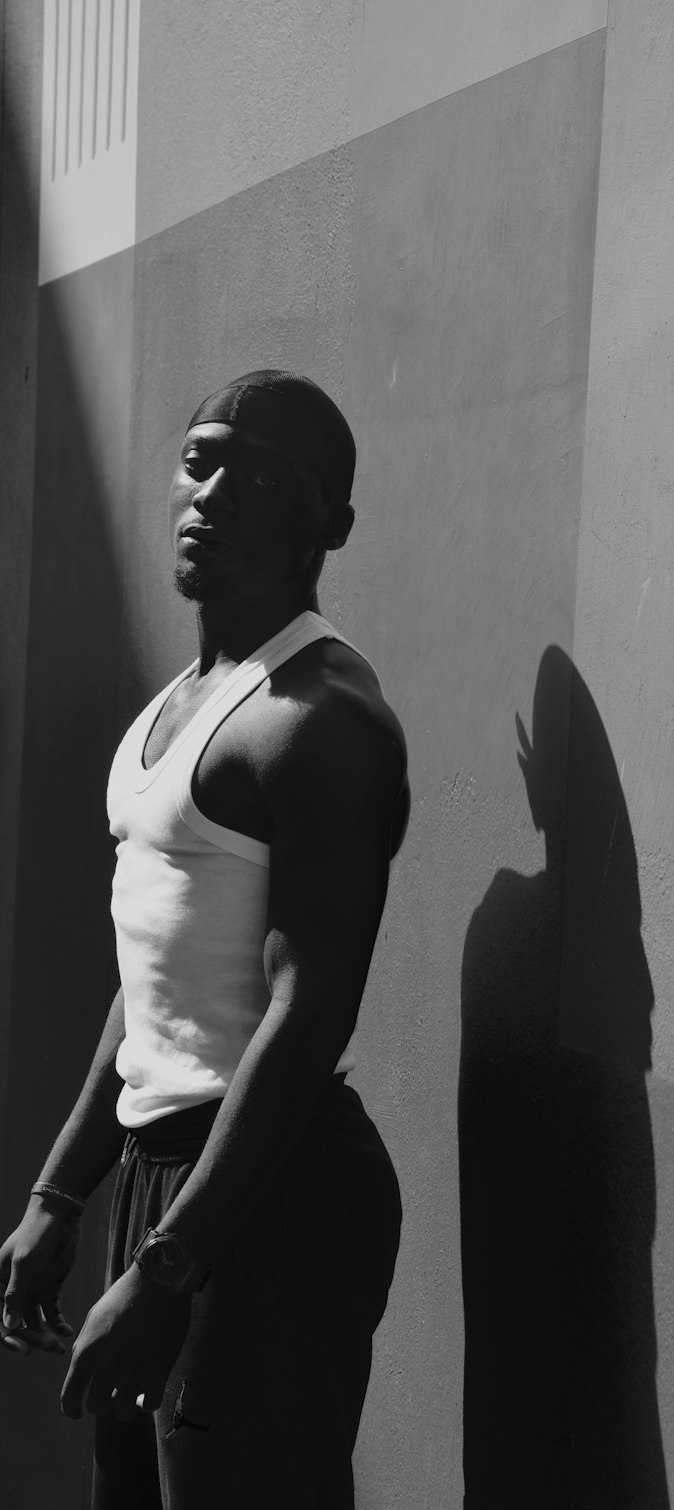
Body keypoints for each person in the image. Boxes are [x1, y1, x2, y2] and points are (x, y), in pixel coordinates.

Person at [0, 371, 409, 1508]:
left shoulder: (320, 722)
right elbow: (149, 988)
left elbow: (310, 1007)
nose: (214, 493)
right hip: (163, 1174)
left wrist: (175, 1262)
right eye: (202, 460)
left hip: (267, 1191)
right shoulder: (175, 707)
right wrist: (62, 1194)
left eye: (262, 477)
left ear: (329, 526)